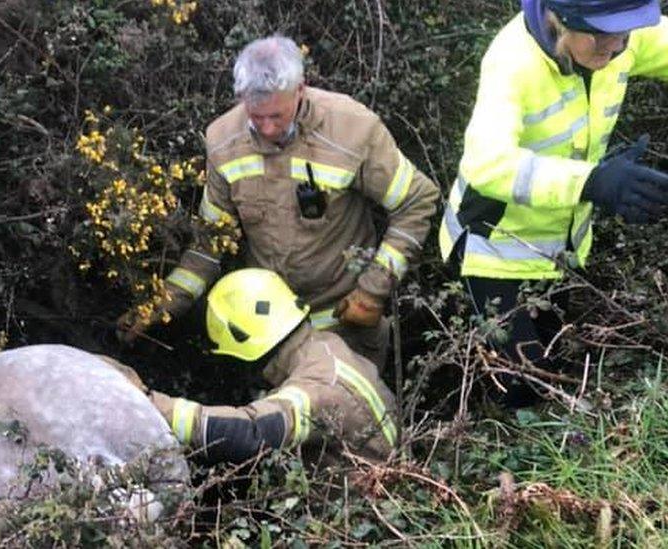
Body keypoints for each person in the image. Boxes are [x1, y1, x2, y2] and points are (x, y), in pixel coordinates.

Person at [117, 35, 440, 369]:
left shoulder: (352, 129)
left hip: (345, 327)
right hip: (268, 337)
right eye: (257, 116)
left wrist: (373, 289)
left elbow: (417, 201)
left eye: (278, 115)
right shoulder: (223, 141)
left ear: (301, 89)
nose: (268, 128)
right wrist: (163, 304)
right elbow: (211, 243)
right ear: (242, 97)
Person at [438, 0, 668, 405]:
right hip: (493, 252)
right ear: (558, 21)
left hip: (557, 251)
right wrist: (592, 183)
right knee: (523, 387)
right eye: (601, 35)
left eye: (625, 33)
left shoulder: (616, 37)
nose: (615, 47)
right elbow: (486, 164)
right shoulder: (512, 61)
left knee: (552, 366)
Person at [119, 268, 398, 464]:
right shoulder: (325, 346)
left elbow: (252, 433)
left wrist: (147, 404)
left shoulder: (316, 391)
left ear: (245, 344)